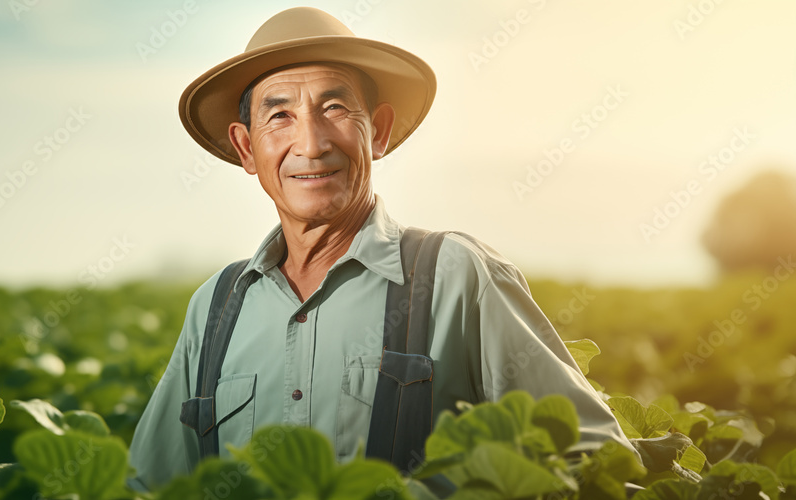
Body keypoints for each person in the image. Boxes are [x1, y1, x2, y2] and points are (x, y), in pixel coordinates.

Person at [128, 6, 638, 493]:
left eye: (334, 108)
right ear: (246, 148)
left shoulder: (456, 275)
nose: (311, 143)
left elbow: (592, 460)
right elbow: (151, 486)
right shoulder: (215, 308)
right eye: (279, 115)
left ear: (380, 131)